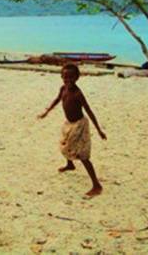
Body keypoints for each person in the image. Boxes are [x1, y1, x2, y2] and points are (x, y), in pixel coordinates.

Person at [38, 64, 107, 197]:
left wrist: (99, 130)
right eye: (65, 77)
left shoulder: (78, 93)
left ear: (77, 78)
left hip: (80, 124)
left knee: (82, 155)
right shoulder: (63, 88)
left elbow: (89, 111)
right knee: (65, 144)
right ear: (61, 77)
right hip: (69, 123)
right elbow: (57, 100)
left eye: (71, 77)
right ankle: (70, 164)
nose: (68, 80)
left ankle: (96, 185)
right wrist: (46, 112)